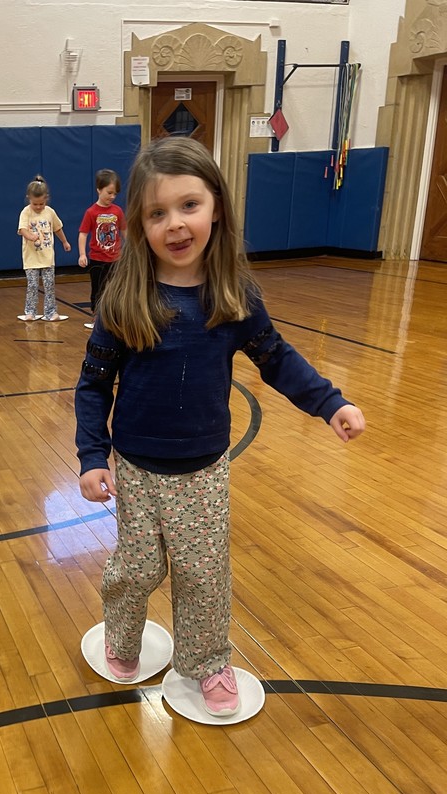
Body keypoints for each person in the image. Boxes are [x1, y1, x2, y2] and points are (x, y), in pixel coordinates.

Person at [74, 137, 365, 716]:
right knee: (135, 569)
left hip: (204, 468)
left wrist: (329, 403)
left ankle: (207, 662)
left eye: (189, 206)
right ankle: (122, 638)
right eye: (157, 213)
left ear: (217, 210)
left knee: (204, 574)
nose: (175, 224)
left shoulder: (234, 295)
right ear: (138, 225)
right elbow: (93, 384)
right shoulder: (124, 299)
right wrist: (91, 456)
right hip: (136, 466)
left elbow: (276, 358)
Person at [17, 175, 71, 321]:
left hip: (47, 258)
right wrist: (30, 236)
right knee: (33, 286)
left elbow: (58, 228)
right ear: (29, 198)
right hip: (31, 258)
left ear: (46, 198)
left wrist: (65, 242)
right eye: (35, 204)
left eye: (42, 203)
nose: (39, 207)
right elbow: (22, 229)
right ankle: (30, 311)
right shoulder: (26, 212)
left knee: (49, 286)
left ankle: (51, 312)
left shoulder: (50, 212)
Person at [78, 169, 127, 329]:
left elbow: (125, 231)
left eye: (115, 194)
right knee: (98, 289)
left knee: (115, 289)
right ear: (99, 189)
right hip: (98, 259)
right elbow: (83, 234)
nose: (112, 197)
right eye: (109, 192)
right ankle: (97, 318)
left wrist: (132, 248)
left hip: (115, 259)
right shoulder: (91, 212)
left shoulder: (117, 211)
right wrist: (82, 254)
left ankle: (114, 318)